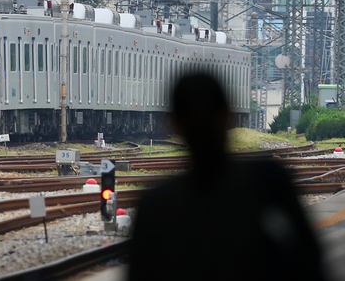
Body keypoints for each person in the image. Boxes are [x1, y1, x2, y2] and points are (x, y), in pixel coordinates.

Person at [128, 72, 326, 281]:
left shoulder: (155, 205)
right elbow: (310, 258)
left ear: (175, 124)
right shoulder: (268, 182)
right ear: (227, 115)